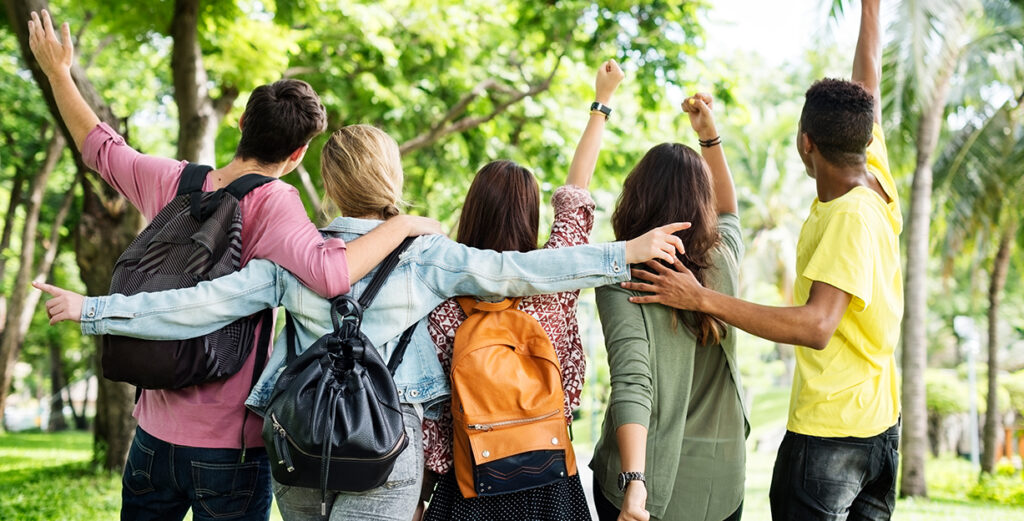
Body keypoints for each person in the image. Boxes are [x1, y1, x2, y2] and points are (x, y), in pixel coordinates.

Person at [37, 122, 691, 521]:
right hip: (388, 449)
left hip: (299, 446)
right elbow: (522, 272)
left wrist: (92, 308)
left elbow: (194, 307)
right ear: (393, 175)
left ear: (328, 181)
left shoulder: (291, 255)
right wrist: (622, 253)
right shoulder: (426, 252)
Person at [27, 10, 437, 521]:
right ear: (297, 154)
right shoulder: (275, 202)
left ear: (240, 122)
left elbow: (100, 149)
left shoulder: (172, 181)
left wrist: (59, 72)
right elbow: (332, 274)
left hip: (151, 437)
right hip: (230, 449)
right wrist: (402, 226)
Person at [621, 1, 902, 519]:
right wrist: (870, 10)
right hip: (880, 429)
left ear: (805, 143)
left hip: (831, 438)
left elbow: (817, 325)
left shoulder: (847, 217)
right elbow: (869, 88)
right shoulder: (873, 173)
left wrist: (702, 297)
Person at [420, 59, 624, 521]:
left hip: (468, 485)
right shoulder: (554, 281)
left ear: (471, 211)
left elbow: (432, 414)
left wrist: (420, 497)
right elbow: (576, 196)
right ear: (530, 216)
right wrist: (602, 102)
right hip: (549, 478)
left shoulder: (439, 296)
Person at [589, 92, 746, 521]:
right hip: (721, 485)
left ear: (636, 197)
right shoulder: (723, 259)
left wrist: (633, 482)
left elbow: (632, 383)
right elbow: (729, 210)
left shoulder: (624, 278)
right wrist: (709, 137)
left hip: (650, 488)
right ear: (702, 202)